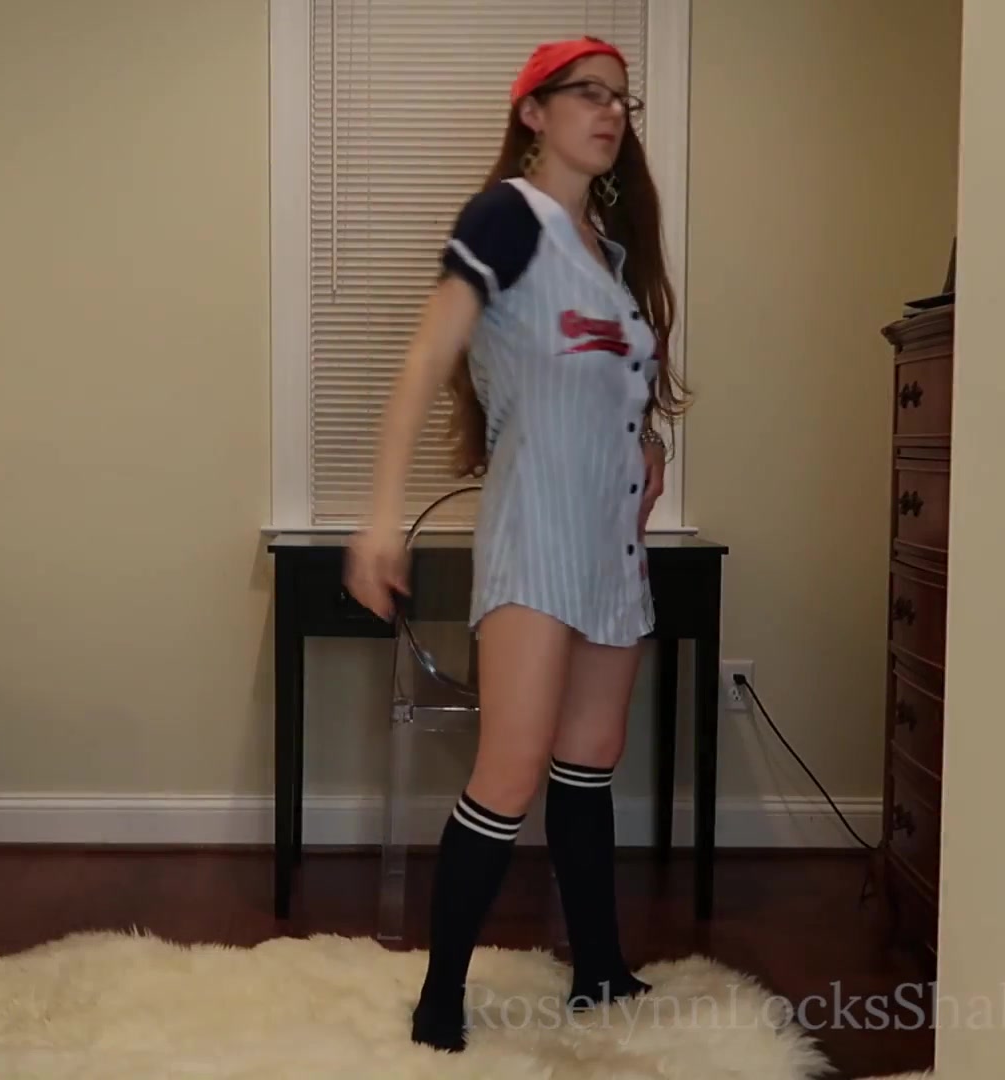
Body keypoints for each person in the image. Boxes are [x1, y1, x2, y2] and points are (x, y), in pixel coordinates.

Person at [343, 36, 689, 1053]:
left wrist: (650, 445)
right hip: (535, 537)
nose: (610, 111)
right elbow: (426, 358)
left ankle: (600, 969)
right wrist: (379, 516)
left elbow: (613, 390)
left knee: (592, 759)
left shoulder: (610, 258)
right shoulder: (508, 216)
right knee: (512, 767)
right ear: (534, 112)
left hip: (611, 547)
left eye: (622, 98)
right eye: (588, 93)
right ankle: (440, 998)